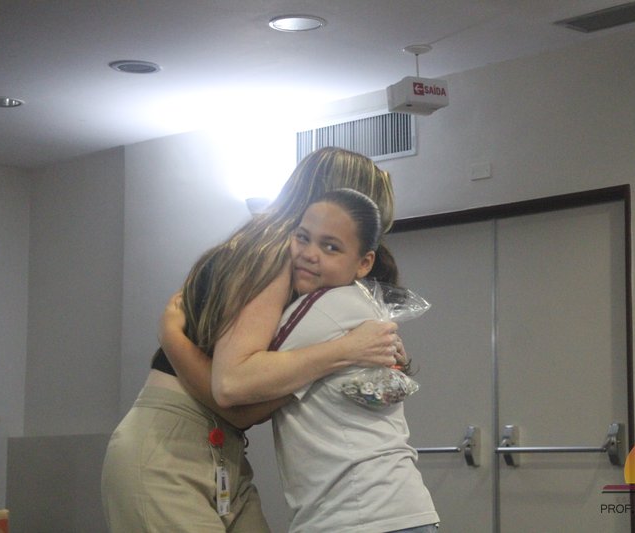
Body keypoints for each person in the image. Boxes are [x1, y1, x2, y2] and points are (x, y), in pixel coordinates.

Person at [101, 147, 403, 533]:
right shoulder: (272, 255)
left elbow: (241, 407)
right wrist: (345, 352)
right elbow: (231, 391)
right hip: (169, 444)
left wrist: (171, 335)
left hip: (218, 447)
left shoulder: (298, 276)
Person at [163, 188, 439, 532]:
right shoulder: (364, 307)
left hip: (360, 516)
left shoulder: (322, 307)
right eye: (303, 237)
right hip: (397, 511)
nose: (309, 254)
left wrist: (171, 336)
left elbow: (232, 385)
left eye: (331, 247)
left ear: (364, 262)